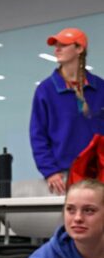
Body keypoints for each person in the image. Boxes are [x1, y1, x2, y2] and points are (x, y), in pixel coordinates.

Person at [30, 27, 104, 194]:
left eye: (63, 45)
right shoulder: (46, 90)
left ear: (79, 49)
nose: (57, 49)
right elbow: (38, 135)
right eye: (56, 45)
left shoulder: (100, 88)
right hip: (63, 176)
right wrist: (50, 171)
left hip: (99, 174)